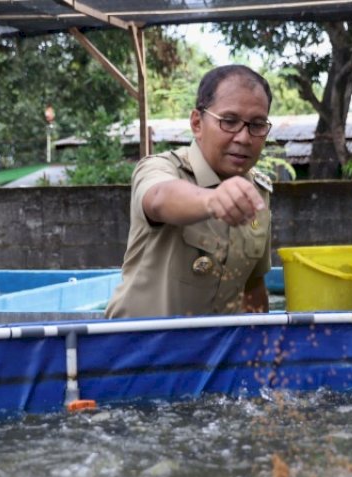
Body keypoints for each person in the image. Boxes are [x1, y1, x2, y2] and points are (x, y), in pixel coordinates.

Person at [106, 65, 273, 318]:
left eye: (257, 125)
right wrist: (213, 199)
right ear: (197, 123)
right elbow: (159, 199)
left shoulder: (257, 192)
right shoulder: (162, 167)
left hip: (215, 353)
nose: (244, 137)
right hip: (138, 350)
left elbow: (252, 285)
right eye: (229, 121)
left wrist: (262, 349)